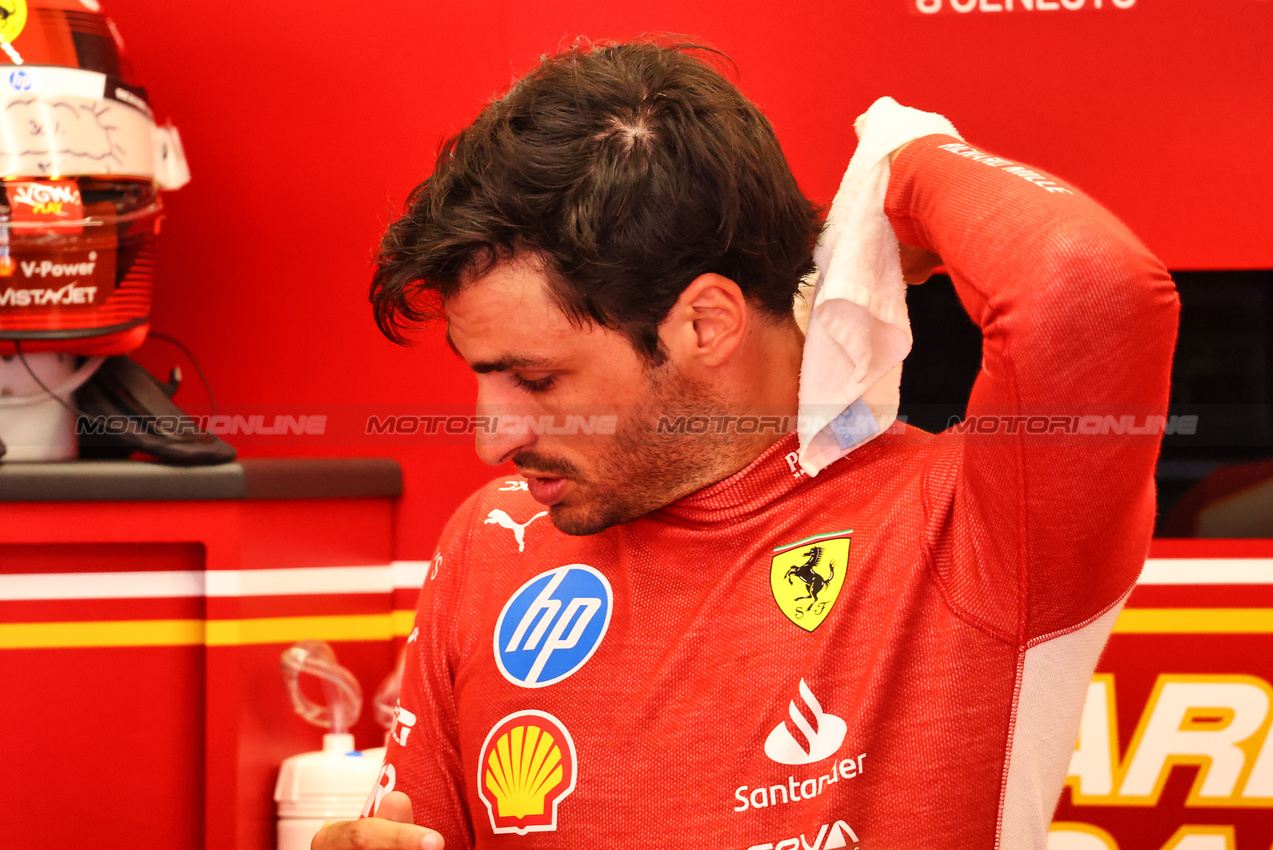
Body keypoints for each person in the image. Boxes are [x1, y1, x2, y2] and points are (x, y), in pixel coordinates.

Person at [315, 39, 1179, 850]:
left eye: (536, 382)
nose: (489, 439)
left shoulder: (977, 532)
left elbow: (1091, 290)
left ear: (705, 323)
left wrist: (901, 160)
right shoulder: (493, 537)